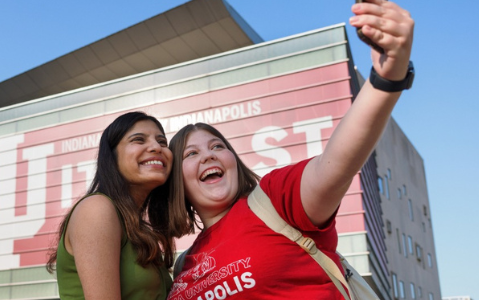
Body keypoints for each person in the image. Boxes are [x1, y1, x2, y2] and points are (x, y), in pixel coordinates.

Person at [163, 1, 414, 299]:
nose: (208, 155)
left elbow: (336, 163)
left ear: (234, 162)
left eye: (218, 146)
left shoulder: (275, 200)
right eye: (191, 154)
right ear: (178, 183)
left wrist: (386, 80)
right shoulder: (182, 266)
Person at [46, 111, 175, 299]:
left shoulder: (138, 228)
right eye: (139, 140)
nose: (156, 147)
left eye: (162, 142)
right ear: (112, 157)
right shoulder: (97, 209)